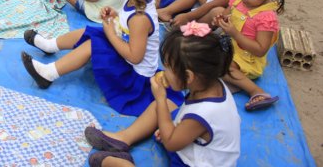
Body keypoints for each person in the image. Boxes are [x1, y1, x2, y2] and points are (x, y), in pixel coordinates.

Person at [22, 0, 183, 117]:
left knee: (94, 44)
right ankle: (50, 46)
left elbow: (135, 56)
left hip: (133, 78)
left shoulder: (140, 18)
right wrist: (116, 16)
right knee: (91, 31)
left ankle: (48, 74)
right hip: (128, 60)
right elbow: (129, 28)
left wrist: (112, 34)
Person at [84, 23, 240, 167]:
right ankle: (123, 138)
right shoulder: (212, 85)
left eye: (168, 68)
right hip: (195, 145)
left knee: (161, 105)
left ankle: (119, 163)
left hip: (193, 162)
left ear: (189, 76)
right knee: (164, 107)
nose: (164, 72)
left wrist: (160, 101)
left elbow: (171, 143)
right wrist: (172, 126)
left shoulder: (203, 114)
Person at [210, 0, 285, 111]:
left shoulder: (266, 18)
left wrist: (234, 33)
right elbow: (229, 14)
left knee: (224, 67)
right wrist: (221, 20)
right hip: (229, 44)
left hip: (246, 59)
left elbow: (260, 50)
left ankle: (256, 91)